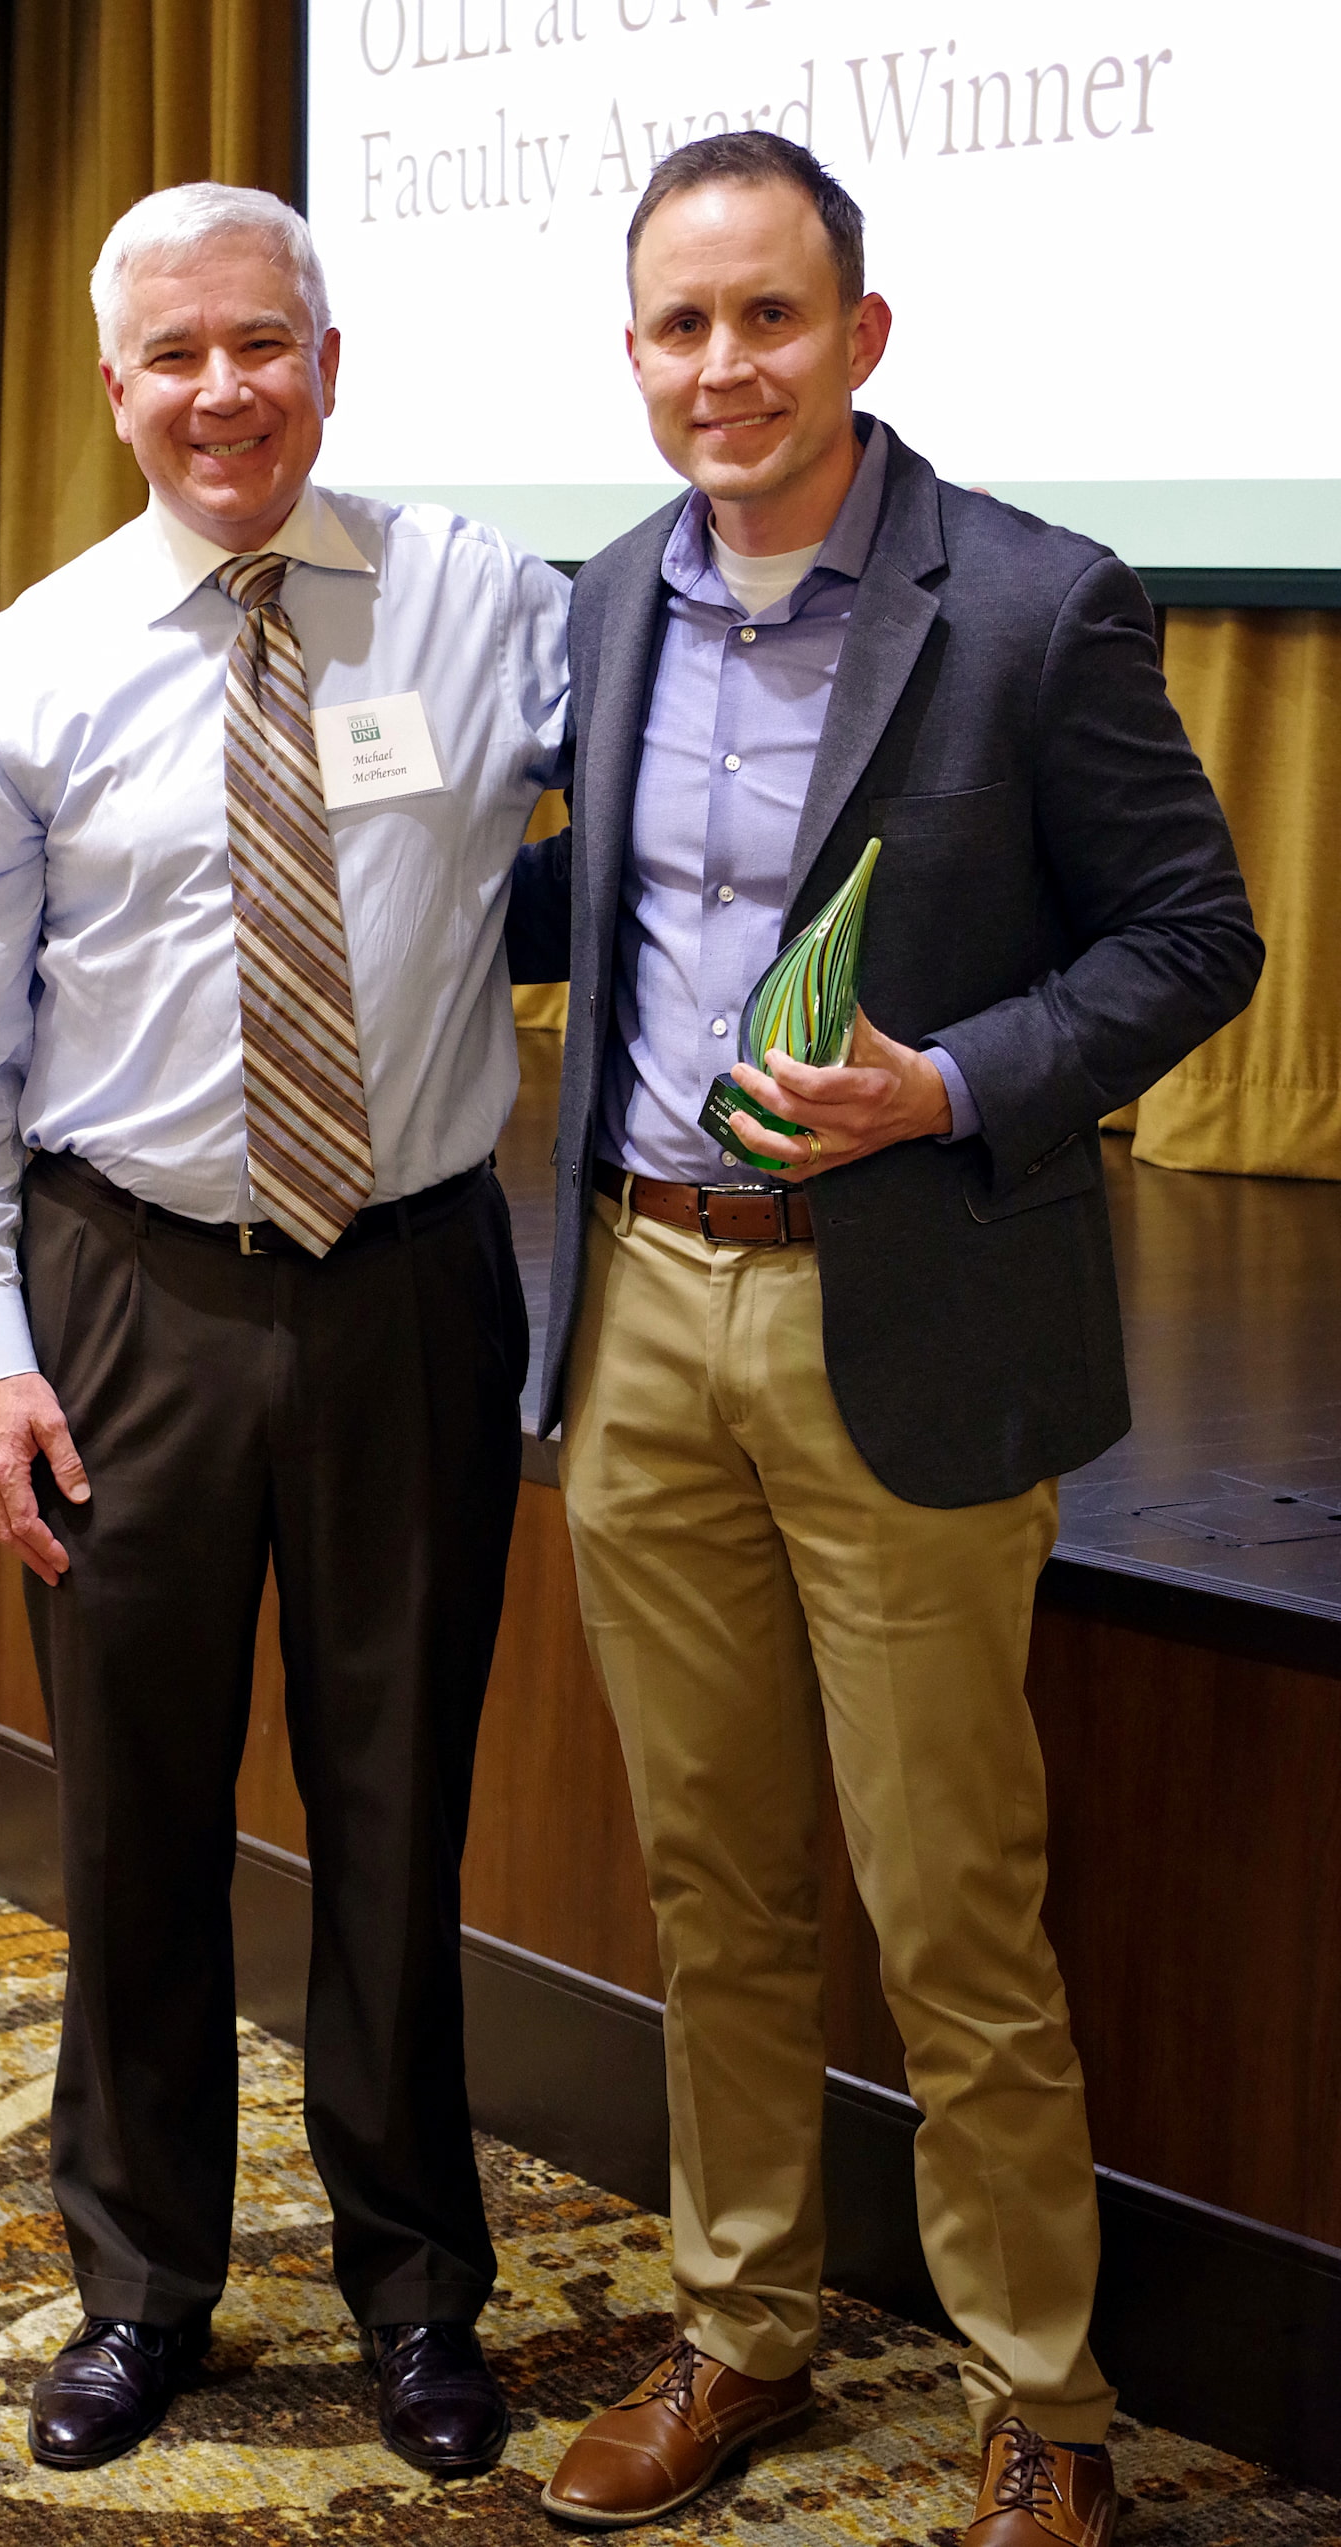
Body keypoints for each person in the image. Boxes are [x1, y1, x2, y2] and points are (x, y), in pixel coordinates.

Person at [506, 130, 1262, 2534]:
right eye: (678, 326)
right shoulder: (609, 597)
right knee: (714, 1876)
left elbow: (1192, 940)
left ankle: (1041, 2393)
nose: (722, 366)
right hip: (639, 1307)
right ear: (634, 357)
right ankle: (742, 2324)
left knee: (951, 1903)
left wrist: (944, 1084)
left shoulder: (1036, 604)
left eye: (766, 317)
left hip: (902, 1321)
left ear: (862, 335)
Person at [0, 181, 567, 2480]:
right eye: (173, 356)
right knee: (142, 1830)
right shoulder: (37, 656)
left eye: (259, 344)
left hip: (406, 1294)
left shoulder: (480, 601)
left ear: (329, 358)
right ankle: (141, 2283)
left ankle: (416, 2295)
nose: (221, 392)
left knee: (400, 1817)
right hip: (130, 1303)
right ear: (115, 391)